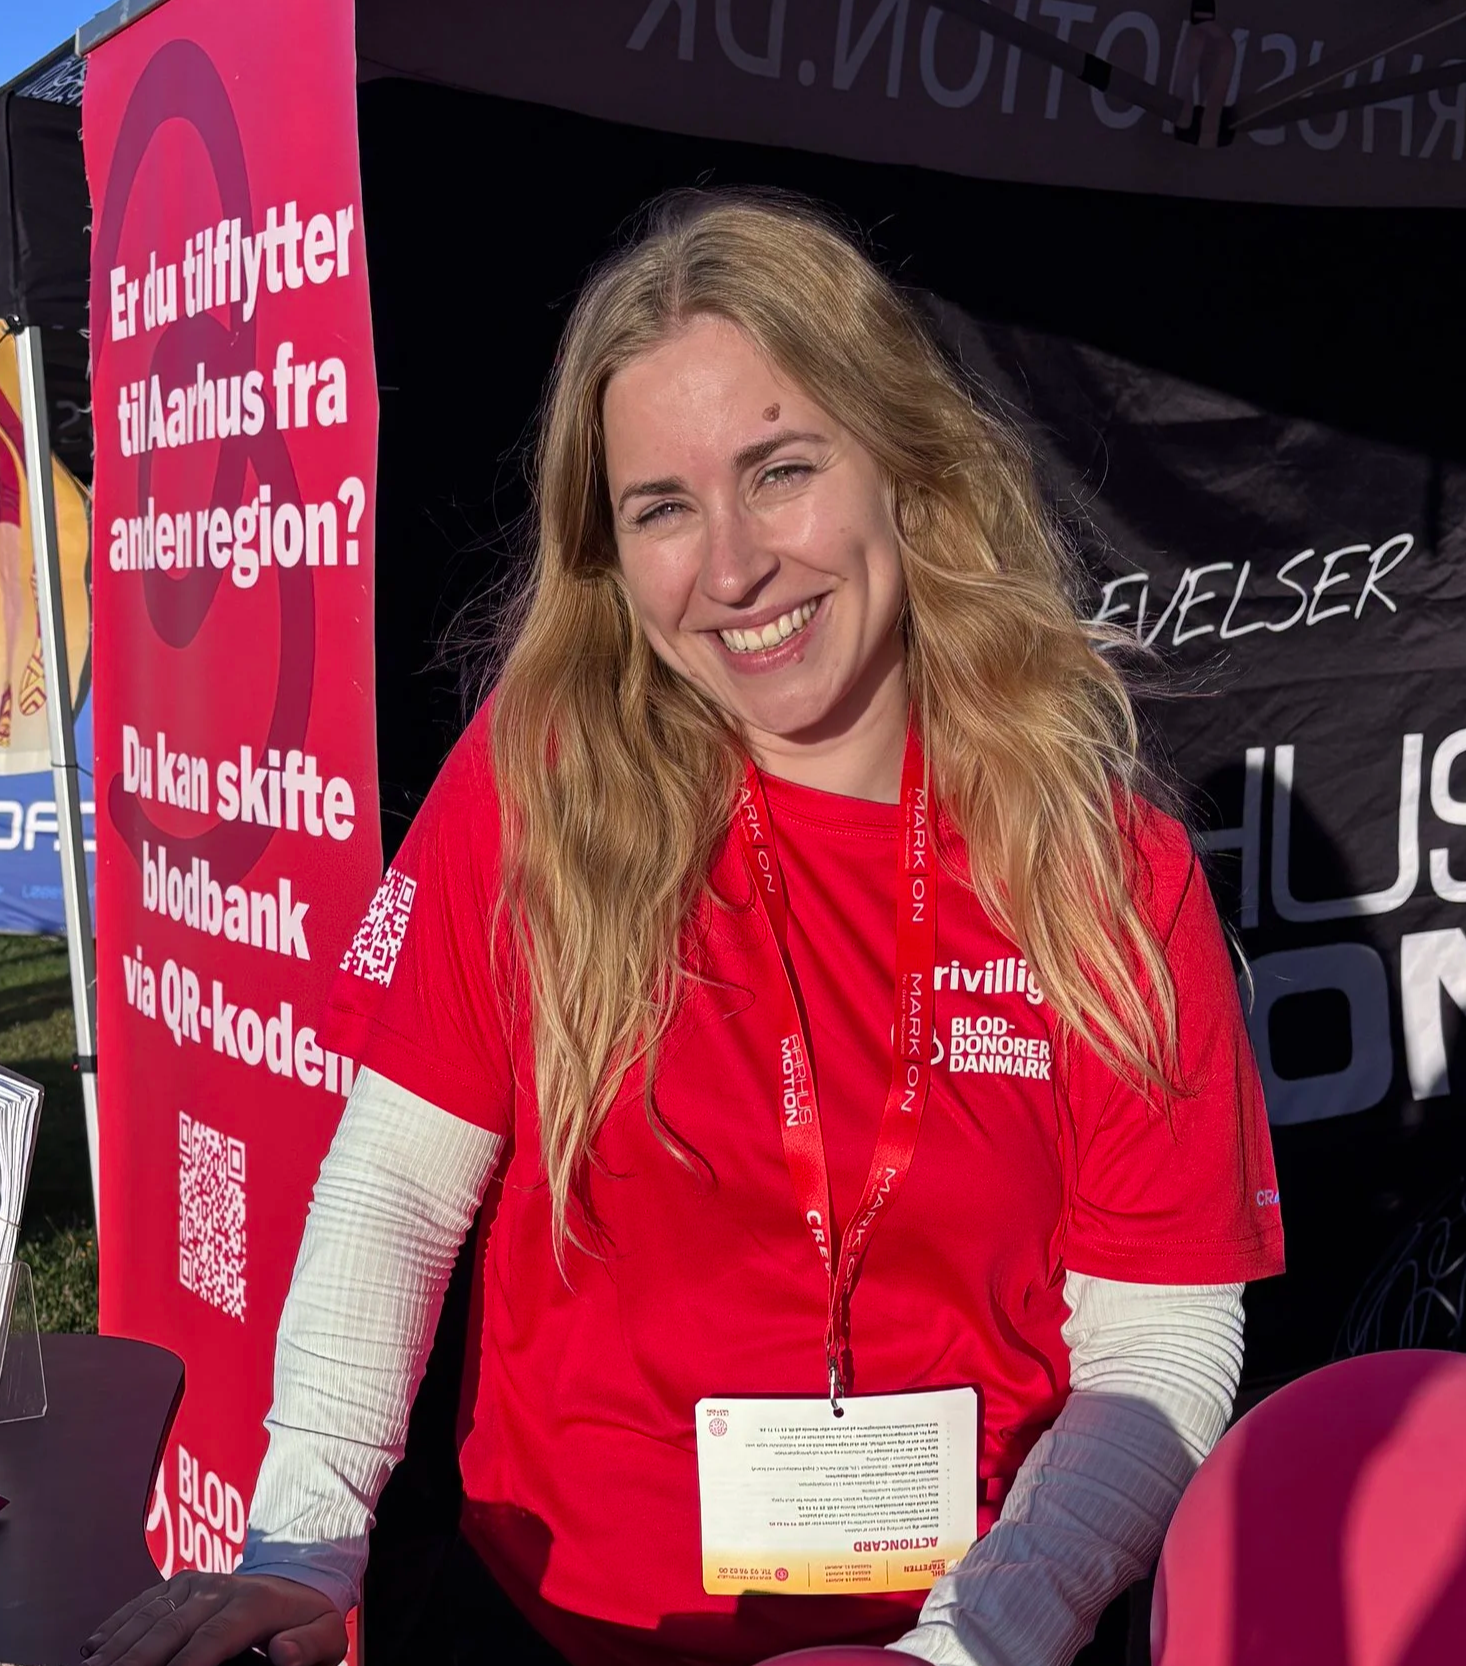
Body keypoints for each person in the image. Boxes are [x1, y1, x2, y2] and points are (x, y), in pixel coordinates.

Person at [85, 191, 1285, 1666]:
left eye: (779, 471)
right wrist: (306, 1535)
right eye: (663, 507)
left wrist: (975, 1643)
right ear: (611, 548)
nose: (731, 569)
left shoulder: (1104, 860)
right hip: (559, 1626)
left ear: (906, 469)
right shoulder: (548, 777)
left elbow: (1160, 1342)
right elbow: (397, 1184)